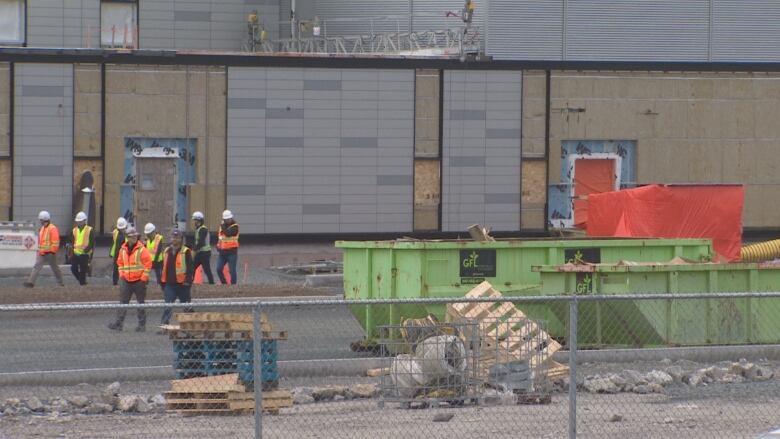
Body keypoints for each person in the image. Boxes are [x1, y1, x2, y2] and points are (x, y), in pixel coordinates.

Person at [108, 226, 152, 332]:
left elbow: (148, 264)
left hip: (139, 281)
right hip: (126, 280)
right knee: (123, 302)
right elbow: (120, 263)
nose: (133, 238)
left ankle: (142, 325)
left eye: (134, 236)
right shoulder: (123, 249)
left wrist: (143, 278)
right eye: (131, 237)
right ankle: (119, 324)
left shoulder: (142, 249)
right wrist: (122, 274)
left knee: (140, 303)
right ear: (127, 237)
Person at [160, 229, 194, 327]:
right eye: (173, 237)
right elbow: (164, 267)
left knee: (187, 306)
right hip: (170, 284)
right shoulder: (166, 251)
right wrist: (163, 282)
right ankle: (164, 325)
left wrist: (188, 281)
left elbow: (190, 268)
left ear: (181, 239)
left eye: (177, 237)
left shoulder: (186, 251)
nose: (175, 239)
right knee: (167, 306)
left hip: (183, 285)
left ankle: (191, 325)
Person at [24, 211, 65, 287]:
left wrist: (52, 251)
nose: (40, 221)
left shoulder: (53, 228)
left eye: (41, 220)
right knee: (37, 266)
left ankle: (60, 283)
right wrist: (40, 251)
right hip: (42, 253)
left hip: (50, 253)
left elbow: (55, 242)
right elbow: (42, 241)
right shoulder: (43, 228)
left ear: (44, 219)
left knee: (55, 268)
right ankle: (30, 282)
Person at [70, 211, 93, 285]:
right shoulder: (74, 230)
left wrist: (86, 251)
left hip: (84, 254)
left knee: (83, 271)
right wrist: (72, 252)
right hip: (76, 253)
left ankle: (82, 284)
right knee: (73, 269)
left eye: (80, 221)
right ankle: (81, 281)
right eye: (78, 221)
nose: (79, 223)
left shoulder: (90, 230)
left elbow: (91, 243)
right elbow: (73, 242)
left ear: (84, 221)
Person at [216, 209, 239, 285]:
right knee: (218, 269)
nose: (228, 220)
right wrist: (218, 246)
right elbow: (220, 238)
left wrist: (222, 226)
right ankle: (224, 283)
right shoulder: (222, 227)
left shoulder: (235, 227)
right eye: (226, 219)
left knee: (232, 270)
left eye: (229, 219)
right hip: (222, 252)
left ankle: (233, 285)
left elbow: (228, 233)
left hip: (232, 252)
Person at [191, 211, 214, 284]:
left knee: (207, 269)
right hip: (200, 252)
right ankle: (189, 283)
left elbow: (201, 242)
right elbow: (197, 242)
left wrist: (194, 250)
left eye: (195, 220)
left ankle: (211, 283)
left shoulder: (203, 229)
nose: (194, 222)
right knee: (192, 267)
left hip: (205, 253)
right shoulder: (198, 229)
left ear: (198, 220)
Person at [110, 217, 128, 286]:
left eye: (123, 228)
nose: (122, 229)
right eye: (121, 228)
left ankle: (126, 282)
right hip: (118, 254)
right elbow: (113, 243)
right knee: (116, 269)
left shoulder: (127, 233)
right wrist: (111, 253)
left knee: (124, 269)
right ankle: (115, 283)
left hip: (124, 254)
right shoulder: (116, 232)